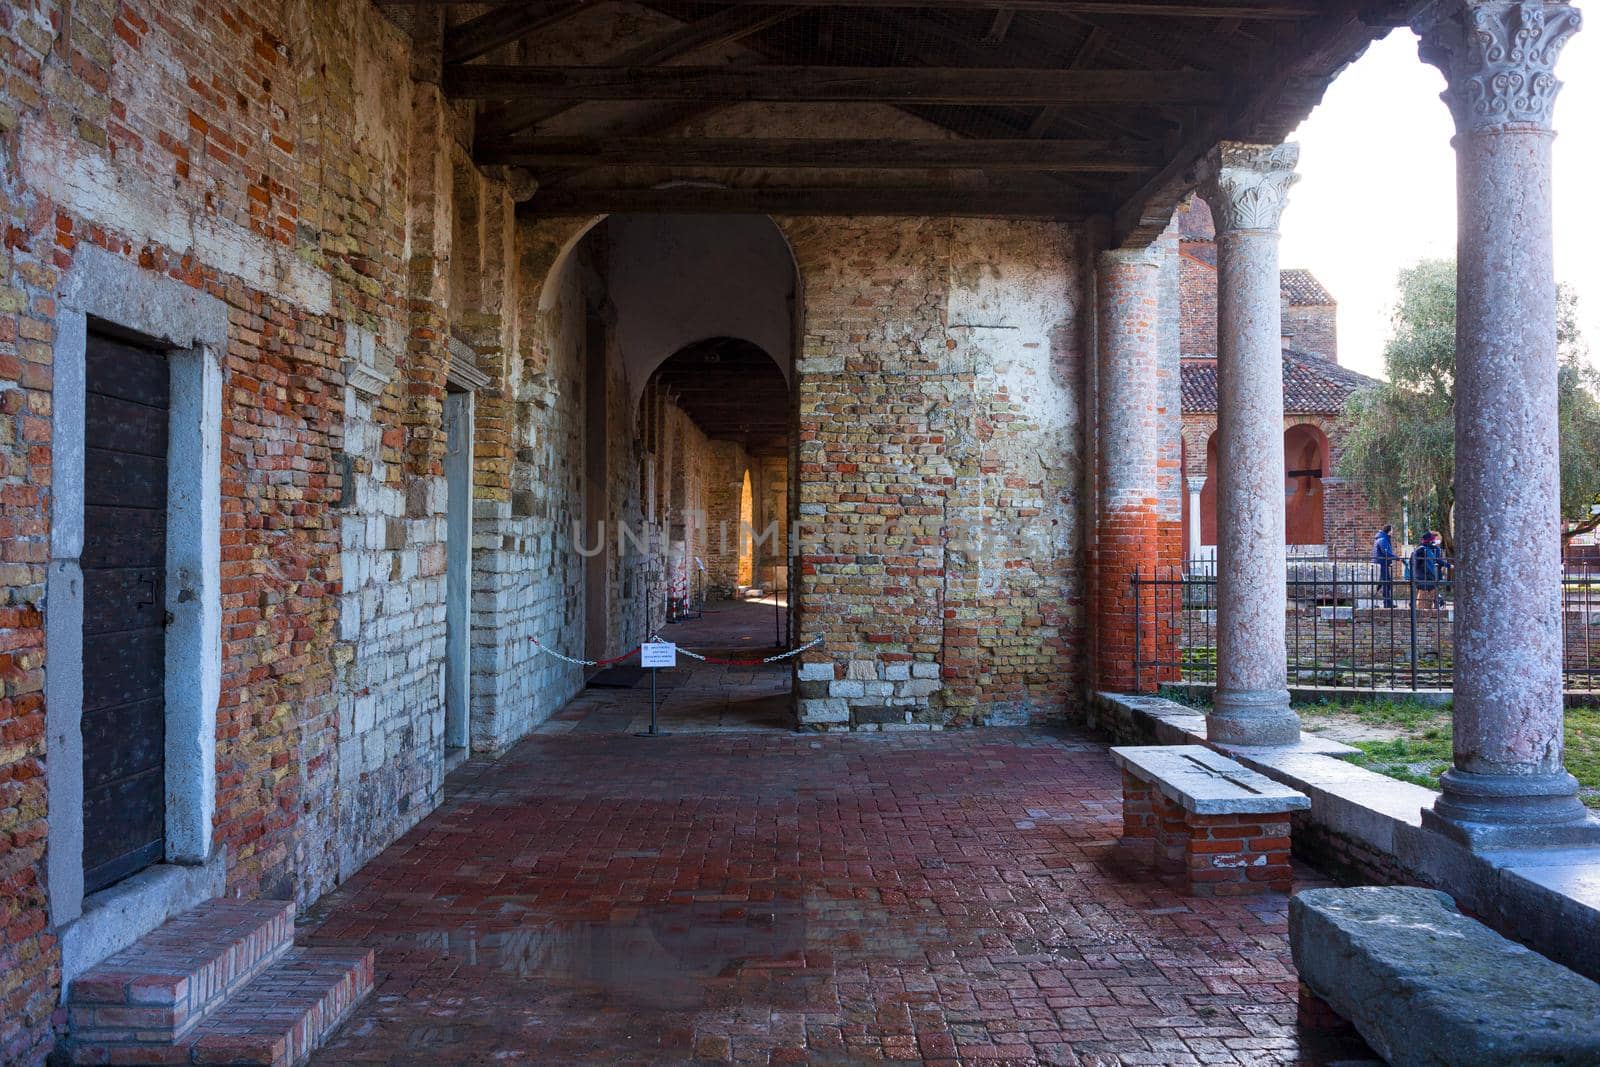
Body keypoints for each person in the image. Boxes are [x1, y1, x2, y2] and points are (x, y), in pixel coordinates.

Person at [1410, 532, 1451, 610]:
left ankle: (1439, 603)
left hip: (1423, 578)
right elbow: (1430, 565)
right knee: (1424, 605)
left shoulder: (1420, 549)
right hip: (1426, 579)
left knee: (1428, 599)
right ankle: (1439, 603)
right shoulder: (1425, 550)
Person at [1372, 524, 1399, 608]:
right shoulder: (1383, 539)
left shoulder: (1383, 539)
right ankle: (1387, 603)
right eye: (1392, 530)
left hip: (1382, 563)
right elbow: (1385, 552)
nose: (1393, 532)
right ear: (1389, 531)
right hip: (1381, 564)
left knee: (1381, 584)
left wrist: (1390, 560)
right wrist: (1396, 557)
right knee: (1386, 583)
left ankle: (1387, 602)